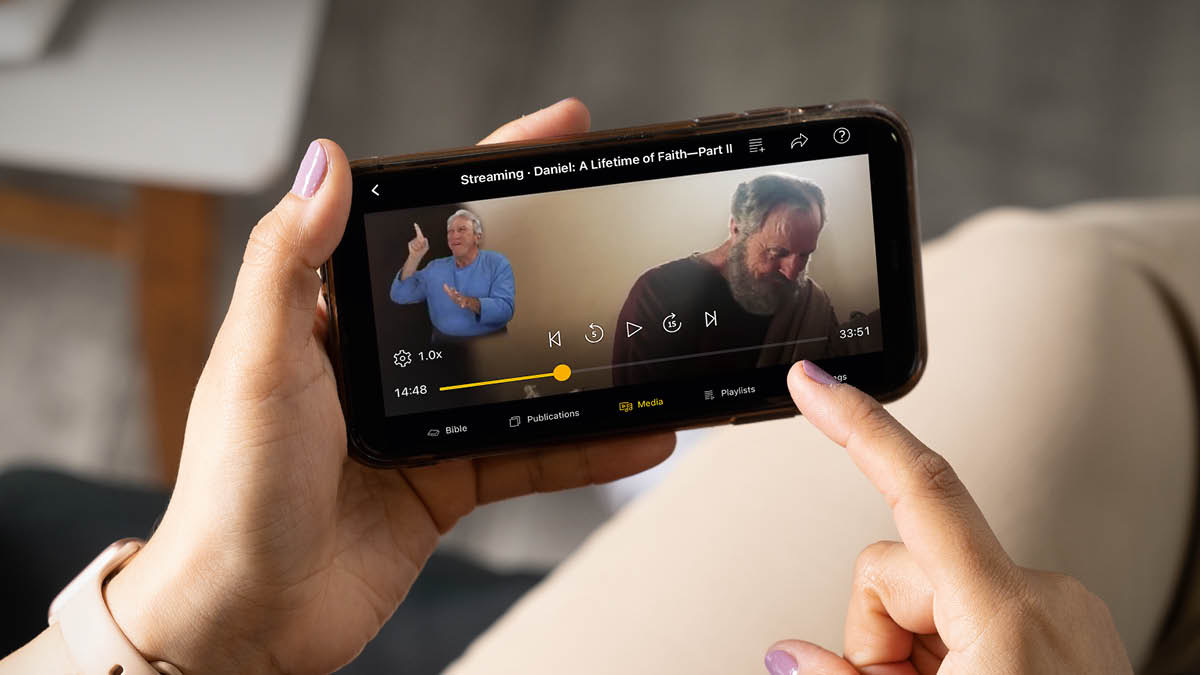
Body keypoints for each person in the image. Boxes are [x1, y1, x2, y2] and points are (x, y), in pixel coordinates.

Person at [0, 99, 1138, 674]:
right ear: (734, 221)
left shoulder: (803, 307)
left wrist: (196, 627)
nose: (794, 267)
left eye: (807, 251)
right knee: (1076, 276)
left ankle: (699, 477)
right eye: (780, 246)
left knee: (1087, 277)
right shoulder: (655, 291)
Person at [612, 173, 841, 386]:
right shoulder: (657, 293)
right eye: (776, 253)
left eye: (805, 254)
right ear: (736, 229)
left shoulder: (814, 304)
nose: (792, 273)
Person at [389, 209, 516, 338]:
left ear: (477, 237)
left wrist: (470, 302)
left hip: (492, 344)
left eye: (461, 229)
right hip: (444, 344)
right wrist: (414, 257)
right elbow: (400, 295)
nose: (454, 235)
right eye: (450, 231)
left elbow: (505, 310)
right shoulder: (435, 267)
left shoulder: (497, 263)